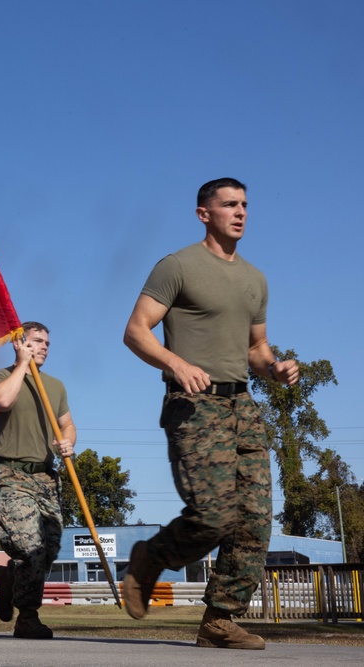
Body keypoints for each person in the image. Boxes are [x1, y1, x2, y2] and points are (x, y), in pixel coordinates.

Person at [123, 178, 300, 650]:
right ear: (204, 213)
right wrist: (177, 364)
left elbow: (257, 349)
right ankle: (151, 557)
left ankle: (219, 619)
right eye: (228, 205)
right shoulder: (177, 266)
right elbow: (136, 331)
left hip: (242, 404)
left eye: (244, 205)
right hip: (194, 405)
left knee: (256, 520)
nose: (239, 212)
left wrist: (275, 368)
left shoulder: (255, 279)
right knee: (215, 514)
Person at [0, 322, 76, 639]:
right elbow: (2, 401)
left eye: (47, 343)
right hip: (10, 475)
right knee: (30, 547)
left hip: (46, 478)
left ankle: (10, 581)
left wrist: (68, 442)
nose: (45, 347)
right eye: (37, 341)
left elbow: (67, 425)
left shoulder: (56, 386)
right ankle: (28, 617)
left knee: (48, 550)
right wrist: (22, 365)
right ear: (19, 343)